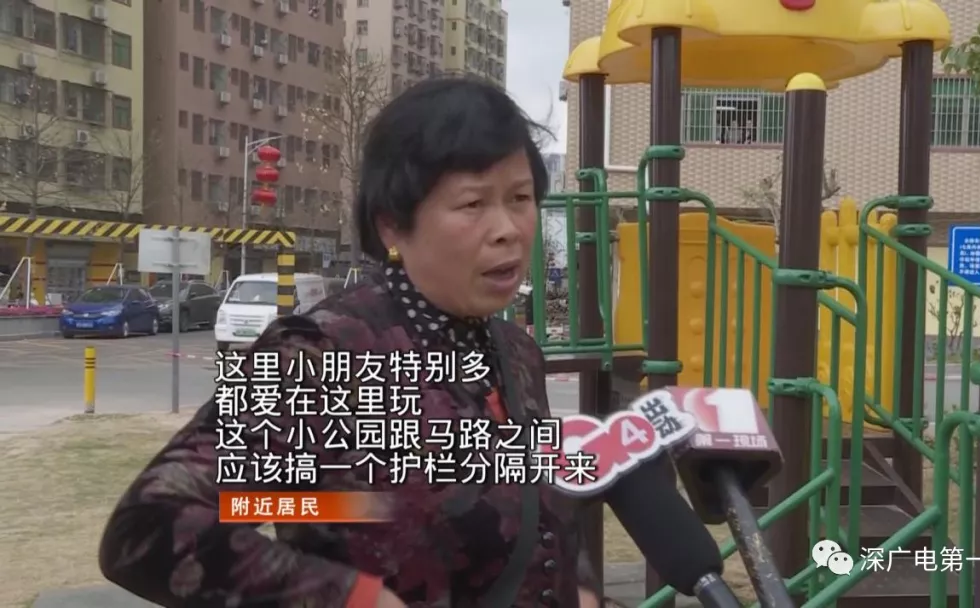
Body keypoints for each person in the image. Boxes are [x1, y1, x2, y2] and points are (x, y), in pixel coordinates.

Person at [98, 77, 607, 607]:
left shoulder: (518, 353)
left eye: (521, 198)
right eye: (472, 203)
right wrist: (351, 597)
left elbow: (542, 510)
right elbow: (149, 524)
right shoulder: (320, 355)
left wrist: (580, 588)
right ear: (392, 225)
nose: (508, 229)